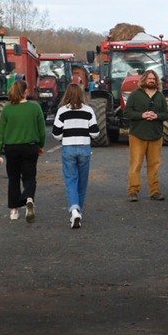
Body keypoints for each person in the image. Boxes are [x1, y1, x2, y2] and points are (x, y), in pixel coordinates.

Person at [0, 80, 47, 223]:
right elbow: (42, 131)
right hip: (30, 147)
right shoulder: (35, 108)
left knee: (13, 178)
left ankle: (14, 211)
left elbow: (1, 134)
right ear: (25, 92)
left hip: (12, 149)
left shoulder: (7, 110)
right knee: (29, 176)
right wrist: (40, 146)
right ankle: (29, 198)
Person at [52, 84, 99, 228]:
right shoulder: (88, 110)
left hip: (68, 148)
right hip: (84, 148)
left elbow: (56, 133)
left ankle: (74, 210)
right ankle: (79, 210)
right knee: (82, 182)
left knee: (71, 180)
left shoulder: (62, 111)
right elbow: (95, 132)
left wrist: (64, 136)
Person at [124, 69, 168, 202]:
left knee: (154, 165)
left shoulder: (160, 96)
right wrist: (141, 115)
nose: (151, 80)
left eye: (154, 79)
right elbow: (127, 113)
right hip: (138, 135)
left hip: (156, 135)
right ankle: (133, 191)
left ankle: (155, 191)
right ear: (144, 80)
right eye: (149, 78)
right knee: (136, 164)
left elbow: (166, 114)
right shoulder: (135, 95)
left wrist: (157, 116)